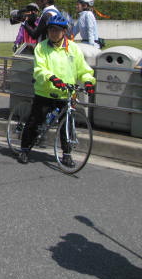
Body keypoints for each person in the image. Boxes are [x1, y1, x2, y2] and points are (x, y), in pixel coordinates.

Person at [18, 15, 96, 166]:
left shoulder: (73, 48)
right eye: (51, 30)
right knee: (35, 121)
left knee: (66, 124)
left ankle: (66, 154)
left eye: (57, 30)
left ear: (64, 31)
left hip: (67, 93)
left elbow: (84, 69)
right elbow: (39, 69)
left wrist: (88, 81)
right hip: (45, 92)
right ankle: (25, 149)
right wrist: (52, 78)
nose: (53, 33)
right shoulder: (42, 47)